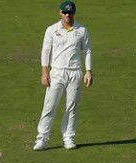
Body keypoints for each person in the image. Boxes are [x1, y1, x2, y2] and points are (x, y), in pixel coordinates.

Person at [33, 1, 93, 151]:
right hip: (57, 73)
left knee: (72, 107)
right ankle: (42, 139)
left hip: (74, 72)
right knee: (49, 106)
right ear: (60, 13)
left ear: (74, 13)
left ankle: (68, 138)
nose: (67, 15)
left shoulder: (82, 30)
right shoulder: (51, 30)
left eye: (70, 12)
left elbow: (87, 51)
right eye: (65, 12)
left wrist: (88, 71)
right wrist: (45, 73)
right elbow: (45, 51)